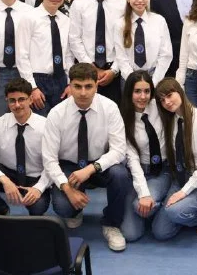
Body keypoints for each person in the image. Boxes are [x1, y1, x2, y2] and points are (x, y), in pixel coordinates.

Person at [42, 63, 132, 252]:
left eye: (88, 86)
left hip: (98, 164)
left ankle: (111, 223)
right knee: (64, 208)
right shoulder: (56, 114)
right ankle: (75, 210)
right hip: (69, 165)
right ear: (69, 85)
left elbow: (119, 150)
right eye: (77, 86)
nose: (83, 93)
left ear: (96, 85)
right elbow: (49, 159)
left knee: (120, 175)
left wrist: (92, 169)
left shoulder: (110, 108)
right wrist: (68, 189)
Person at [150, 78, 197, 240]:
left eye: (169, 95)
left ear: (180, 91)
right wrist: (182, 190)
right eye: (162, 100)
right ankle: (186, 211)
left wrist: (183, 193)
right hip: (181, 178)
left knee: (174, 211)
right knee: (160, 232)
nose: (167, 102)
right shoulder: (171, 121)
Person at [0, 78, 51, 215]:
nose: (17, 105)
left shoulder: (46, 126)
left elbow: (53, 162)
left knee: (38, 208)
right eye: (12, 100)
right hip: (8, 174)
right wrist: (4, 180)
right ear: (7, 101)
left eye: (21, 99)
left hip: (34, 177)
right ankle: (1, 211)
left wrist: (39, 188)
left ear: (30, 100)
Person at [119, 71, 172, 242]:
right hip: (139, 172)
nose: (143, 97)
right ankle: (154, 204)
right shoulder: (123, 118)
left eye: (147, 91)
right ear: (129, 92)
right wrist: (143, 193)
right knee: (130, 234)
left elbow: (184, 108)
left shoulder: (160, 106)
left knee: (139, 207)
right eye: (137, 91)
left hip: (162, 171)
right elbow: (132, 160)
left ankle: (164, 201)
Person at [69, 0, 126, 103]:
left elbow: (126, 41)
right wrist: (90, 66)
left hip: (114, 73)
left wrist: (114, 70)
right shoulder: (79, 4)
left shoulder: (124, 5)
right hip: (85, 72)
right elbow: (74, 39)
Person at [16, 0, 72, 116]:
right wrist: (32, 87)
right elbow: (21, 55)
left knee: (61, 123)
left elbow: (68, 55)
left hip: (61, 79)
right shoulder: (29, 18)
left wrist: (70, 82)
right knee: (41, 124)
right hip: (38, 81)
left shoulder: (66, 21)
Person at [112, 0, 172, 86]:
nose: (140, 0)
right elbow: (121, 57)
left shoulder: (159, 21)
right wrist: (133, 82)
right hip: (128, 80)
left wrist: (154, 82)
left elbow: (166, 54)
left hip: (154, 78)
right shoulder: (120, 24)